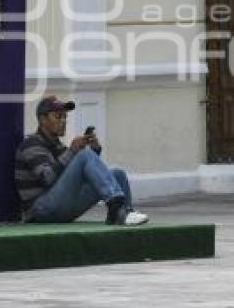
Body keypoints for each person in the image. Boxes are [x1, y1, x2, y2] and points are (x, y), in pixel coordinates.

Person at [15, 95, 148, 225]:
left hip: (60, 207)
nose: (63, 121)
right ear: (43, 119)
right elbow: (47, 178)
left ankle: (125, 212)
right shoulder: (31, 143)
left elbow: (80, 176)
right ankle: (116, 208)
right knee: (84, 155)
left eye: (65, 117)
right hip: (40, 210)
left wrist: (95, 151)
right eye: (58, 116)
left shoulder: (58, 145)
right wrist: (73, 151)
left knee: (117, 173)